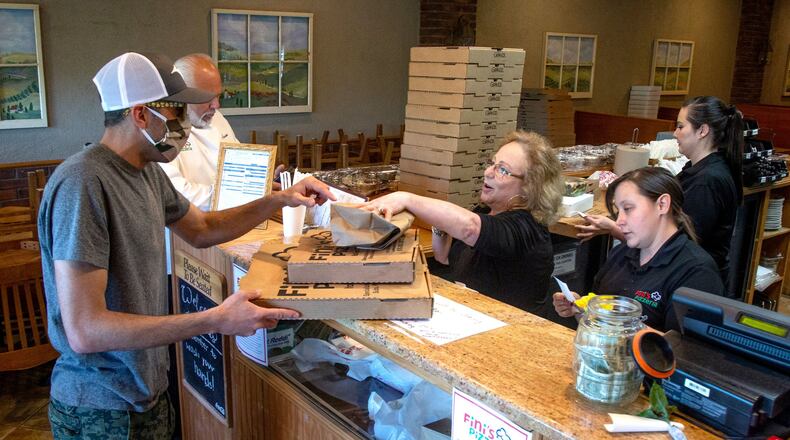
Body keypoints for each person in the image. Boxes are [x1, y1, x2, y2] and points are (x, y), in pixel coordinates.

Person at [38, 52, 334, 439]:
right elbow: (86, 330)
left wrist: (278, 199)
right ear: (141, 115)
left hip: (148, 393)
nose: (187, 125)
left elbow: (203, 228)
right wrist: (215, 320)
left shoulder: (146, 173)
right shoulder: (83, 183)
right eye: (177, 112)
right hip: (101, 407)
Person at [363, 130, 564, 316]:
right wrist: (441, 222)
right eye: (492, 163)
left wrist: (407, 199)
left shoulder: (526, 227)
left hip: (512, 335)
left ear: (530, 187)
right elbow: (445, 257)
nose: (487, 172)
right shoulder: (488, 211)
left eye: (502, 169)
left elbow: (470, 228)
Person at [577, 96, 742, 287]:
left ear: (702, 131)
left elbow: (676, 244)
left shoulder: (707, 181)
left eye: (681, 127)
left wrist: (614, 228)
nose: (675, 133)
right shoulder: (697, 169)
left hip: (689, 283)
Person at [554, 167, 724, 331]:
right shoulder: (620, 254)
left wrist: (618, 323)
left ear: (662, 205)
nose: (619, 221)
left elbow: (685, 352)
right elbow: (597, 326)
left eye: (628, 209)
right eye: (617, 211)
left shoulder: (697, 273)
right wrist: (580, 307)